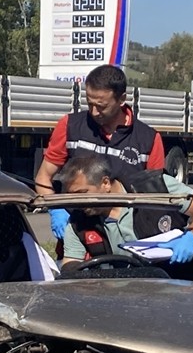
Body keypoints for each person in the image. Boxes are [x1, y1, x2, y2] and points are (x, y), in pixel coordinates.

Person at [34, 64, 168, 243]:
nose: (94, 112)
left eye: (101, 106)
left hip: (128, 239)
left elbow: (157, 198)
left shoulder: (148, 139)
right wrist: (55, 209)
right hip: (78, 234)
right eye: (89, 103)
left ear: (121, 99)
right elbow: (43, 178)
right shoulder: (70, 126)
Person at [58, 155, 193, 282]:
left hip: (188, 283)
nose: (78, 202)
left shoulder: (156, 186)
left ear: (105, 183)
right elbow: (70, 262)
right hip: (134, 296)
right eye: (72, 197)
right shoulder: (78, 220)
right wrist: (81, 276)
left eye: (82, 194)